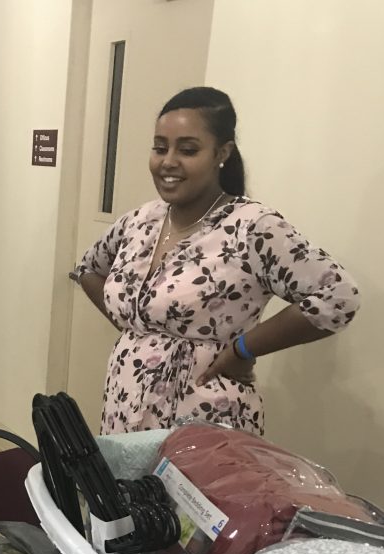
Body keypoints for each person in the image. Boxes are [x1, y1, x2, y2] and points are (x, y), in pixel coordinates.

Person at [76, 86, 360, 435]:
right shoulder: (140, 221)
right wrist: (137, 327)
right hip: (124, 408)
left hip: (204, 419)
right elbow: (88, 269)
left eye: (188, 149)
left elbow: (337, 295)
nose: (168, 161)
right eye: (160, 147)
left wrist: (244, 347)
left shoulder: (251, 226)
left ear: (221, 153)